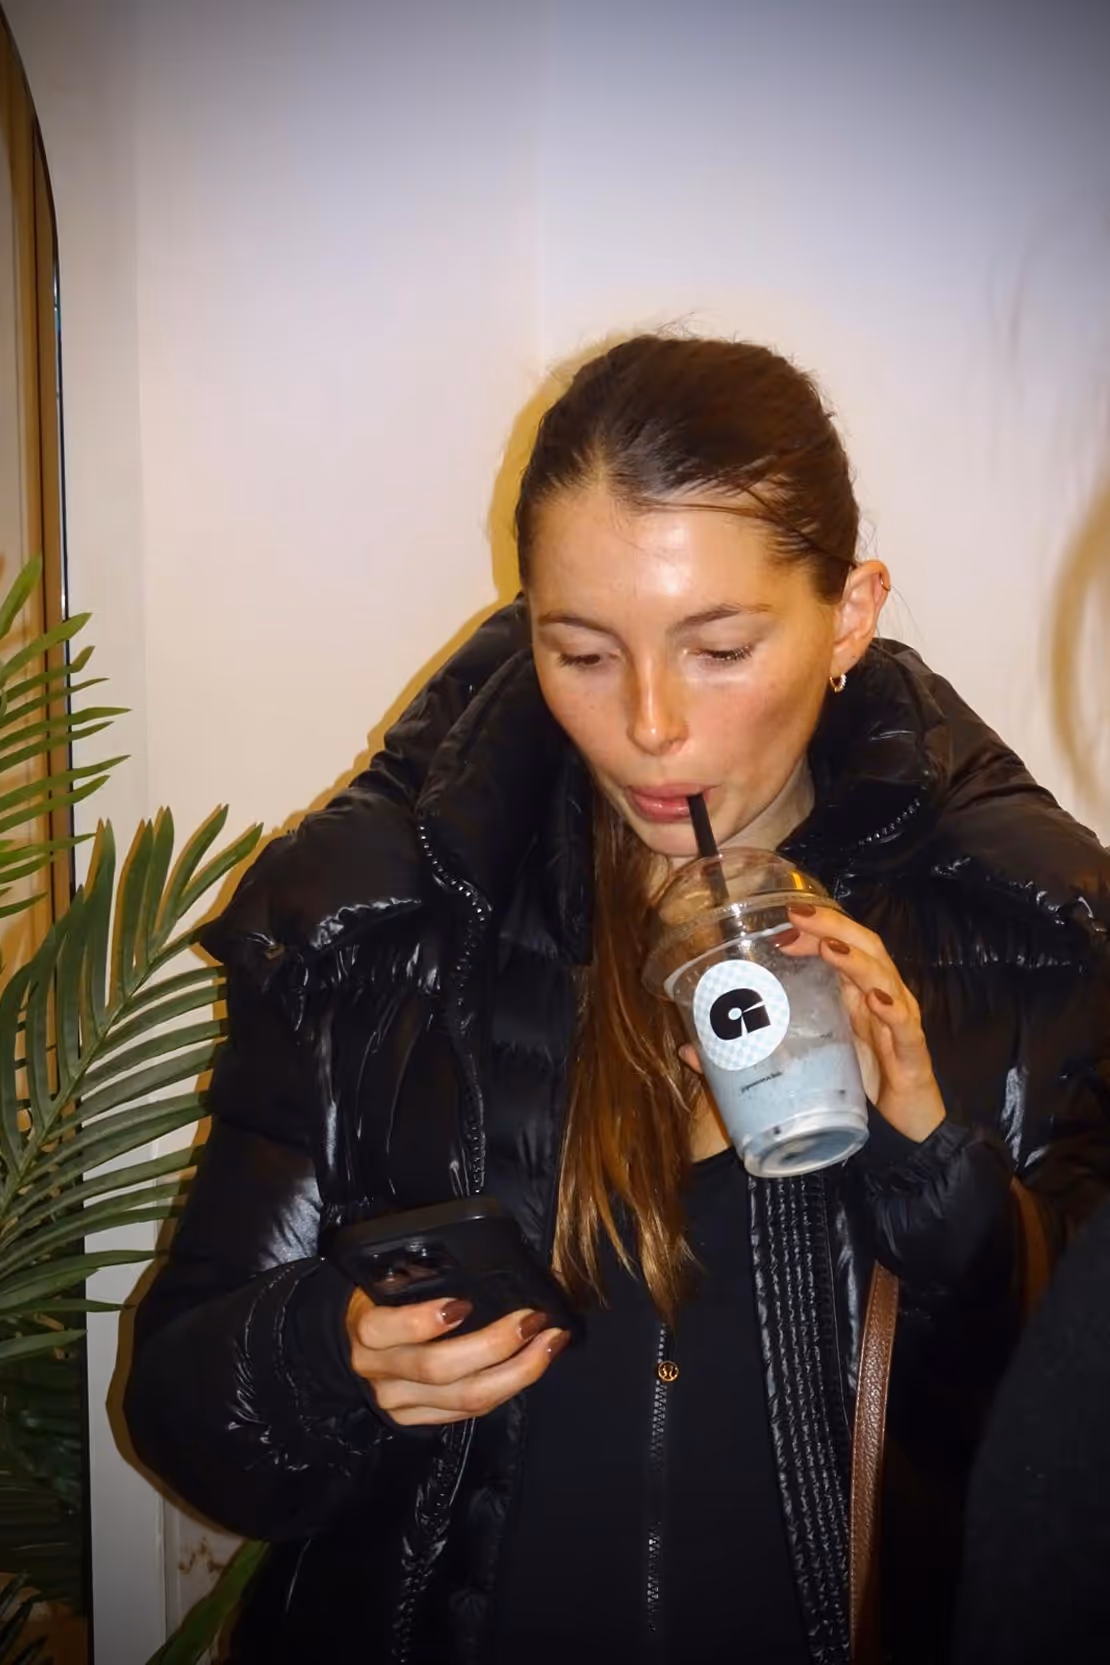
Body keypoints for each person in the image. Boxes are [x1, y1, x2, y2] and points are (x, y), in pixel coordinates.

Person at [123, 335, 1110, 1665]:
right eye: (580, 652)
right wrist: (328, 1358)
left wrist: (937, 1186)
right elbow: (187, 1416)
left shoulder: (1030, 945)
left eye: (717, 648)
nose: (648, 725)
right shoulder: (373, 930)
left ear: (851, 614)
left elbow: (1058, 1495)